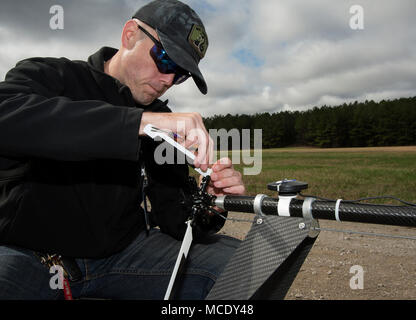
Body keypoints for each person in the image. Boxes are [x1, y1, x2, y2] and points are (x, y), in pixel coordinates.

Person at [0, 0, 245, 300]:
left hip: (121, 256)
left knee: (247, 266)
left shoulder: (160, 121)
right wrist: (137, 123)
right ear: (130, 35)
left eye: (180, 74)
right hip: (25, 254)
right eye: (166, 61)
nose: (168, 80)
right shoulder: (53, 75)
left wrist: (212, 202)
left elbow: (173, 216)